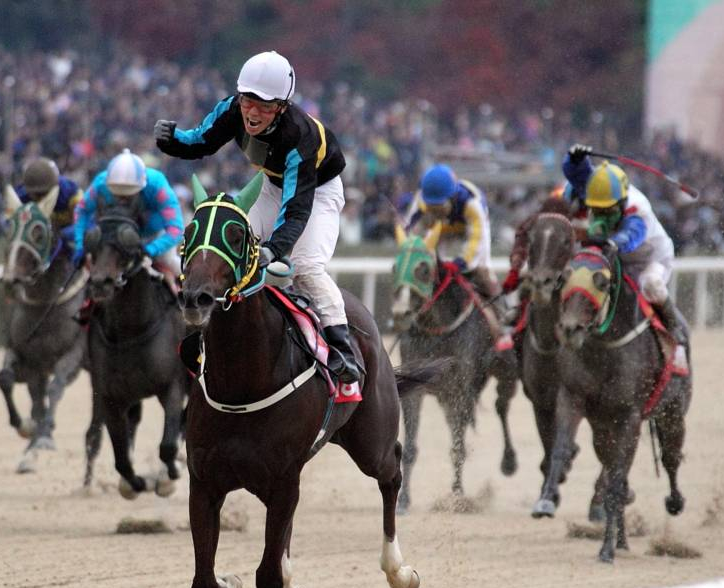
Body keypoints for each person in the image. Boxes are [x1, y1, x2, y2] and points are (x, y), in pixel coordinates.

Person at [153, 50, 361, 383]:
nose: (252, 112)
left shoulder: (299, 138)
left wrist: (272, 249)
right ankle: (209, 332)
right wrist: (172, 140)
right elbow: (200, 141)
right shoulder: (232, 108)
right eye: (248, 100)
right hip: (271, 183)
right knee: (230, 253)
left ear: (282, 107)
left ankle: (343, 350)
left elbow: (295, 210)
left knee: (305, 267)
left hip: (317, 191)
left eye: (265, 106)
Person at [562, 143, 688, 373]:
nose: (599, 214)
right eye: (596, 209)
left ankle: (675, 330)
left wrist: (611, 243)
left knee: (652, 286)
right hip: (612, 254)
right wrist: (575, 159)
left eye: (606, 210)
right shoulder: (598, 188)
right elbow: (574, 174)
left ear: (621, 203)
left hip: (648, 259)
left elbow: (631, 237)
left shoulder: (637, 209)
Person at [402, 164, 513, 352]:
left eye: (439, 206)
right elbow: (412, 232)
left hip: (468, 231)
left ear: (452, 197)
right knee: (418, 270)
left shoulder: (472, 204)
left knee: (483, 272)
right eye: (432, 206)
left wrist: (460, 263)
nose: (435, 210)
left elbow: (476, 243)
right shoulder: (422, 200)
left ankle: (503, 326)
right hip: (441, 229)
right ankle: (405, 314)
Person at [71, 149, 184, 285]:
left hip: (153, 235)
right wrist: (79, 245)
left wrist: (150, 250)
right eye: (117, 194)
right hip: (113, 236)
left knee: (169, 260)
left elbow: (176, 230)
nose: (123, 198)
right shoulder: (101, 183)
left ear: (142, 185)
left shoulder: (157, 185)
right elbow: (81, 210)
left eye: (128, 193)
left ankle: (186, 293)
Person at [15, 157, 83, 232]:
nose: (40, 198)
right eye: (36, 194)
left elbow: (84, 223)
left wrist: (63, 234)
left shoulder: (72, 194)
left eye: (43, 193)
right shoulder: (21, 196)